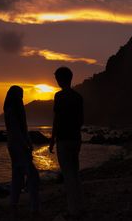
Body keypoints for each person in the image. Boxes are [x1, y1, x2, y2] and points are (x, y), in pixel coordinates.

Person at [49, 67, 84, 220]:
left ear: (61, 79)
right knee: (75, 173)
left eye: (57, 78)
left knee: (68, 175)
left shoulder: (59, 96)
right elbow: (81, 120)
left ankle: (73, 211)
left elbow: (56, 120)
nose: (56, 81)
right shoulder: (78, 97)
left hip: (63, 139)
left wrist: (52, 139)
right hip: (76, 139)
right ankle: (79, 207)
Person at [3, 85, 40, 220]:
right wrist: (26, 145)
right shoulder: (13, 110)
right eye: (20, 94)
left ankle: (14, 205)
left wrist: (28, 141)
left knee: (17, 176)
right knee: (32, 176)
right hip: (18, 147)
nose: (22, 97)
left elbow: (21, 130)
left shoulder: (12, 109)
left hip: (14, 146)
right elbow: (16, 131)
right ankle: (34, 208)